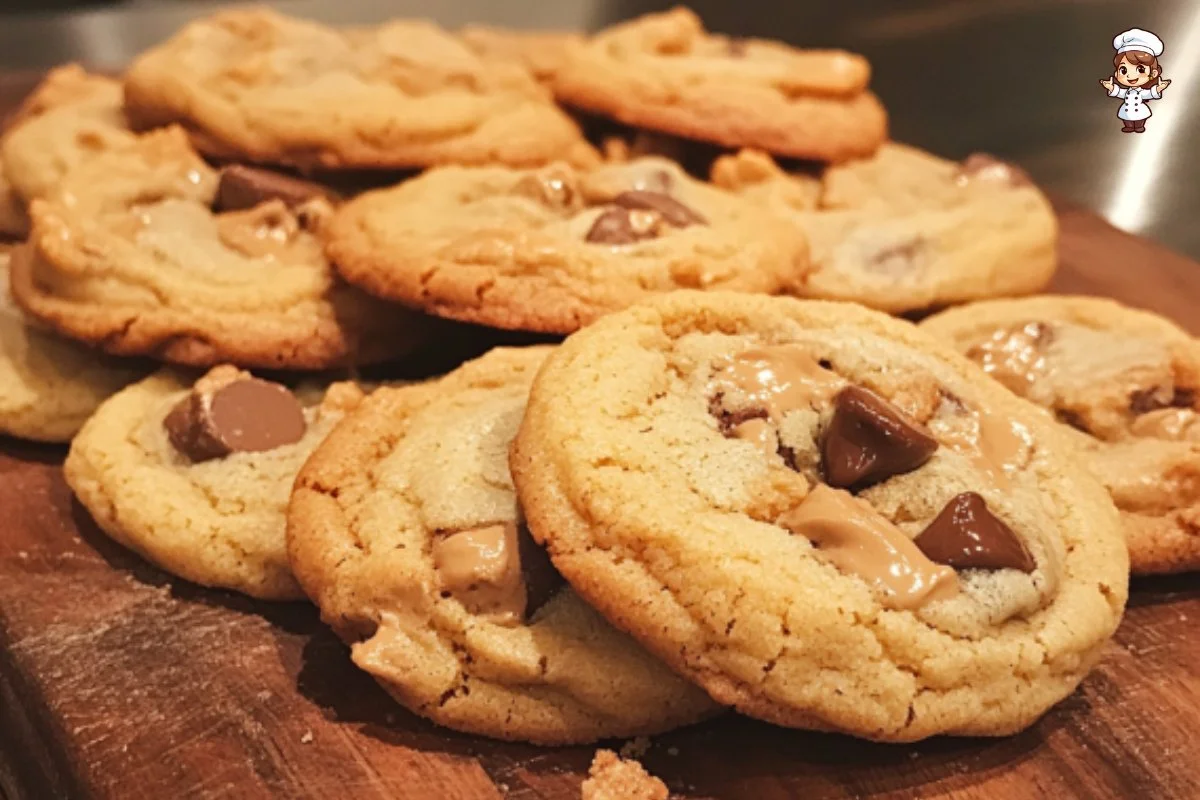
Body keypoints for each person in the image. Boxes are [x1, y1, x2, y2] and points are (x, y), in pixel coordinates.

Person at [1100, 28, 1171, 133]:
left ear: (1153, 73)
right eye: (1123, 70)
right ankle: (1129, 126)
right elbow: (1120, 92)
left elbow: (1149, 93)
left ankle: (1139, 126)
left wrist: (1158, 89)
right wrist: (1111, 88)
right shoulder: (1126, 91)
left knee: (1139, 119)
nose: (1130, 76)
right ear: (1116, 73)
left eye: (1140, 69)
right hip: (1127, 111)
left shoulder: (1141, 92)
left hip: (1139, 111)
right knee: (1126, 119)